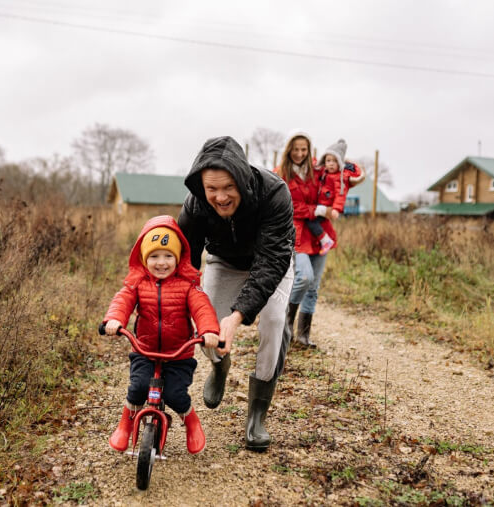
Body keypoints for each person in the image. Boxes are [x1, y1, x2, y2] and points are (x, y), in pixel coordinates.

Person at [178, 135, 295, 452]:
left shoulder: (274, 193)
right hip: (224, 261)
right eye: (211, 189)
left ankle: (257, 415)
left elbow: (272, 261)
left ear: (242, 179)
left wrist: (238, 315)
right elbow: (185, 262)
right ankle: (219, 367)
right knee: (207, 323)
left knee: (272, 322)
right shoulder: (196, 203)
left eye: (228, 187)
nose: (220, 197)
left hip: (271, 263)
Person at [102, 215, 220, 455]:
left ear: (178, 258)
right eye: (154, 256)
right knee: (137, 388)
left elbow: (202, 308)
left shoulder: (188, 285)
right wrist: (114, 320)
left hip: (178, 354)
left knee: (176, 394)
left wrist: (208, 331)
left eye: (168, 256)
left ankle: (191, 422)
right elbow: (122, 301)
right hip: (144, 350)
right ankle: (125, 423)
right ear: (144, 259)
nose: (161, 262)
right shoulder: (137, 284)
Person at [276, 133, 364, 347]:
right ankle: (285, 324)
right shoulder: (281, 174)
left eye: (303, 149)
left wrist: (342, 156)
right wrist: (319, 209)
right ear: (289, 150)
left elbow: (349, 174)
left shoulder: (317, 169)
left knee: (314, 286)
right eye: (295, 149)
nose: (299, 154)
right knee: (304, 277)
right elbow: (289, 206)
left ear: (309, 150)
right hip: (298, 233)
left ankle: (303, 334)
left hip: (321, 234)